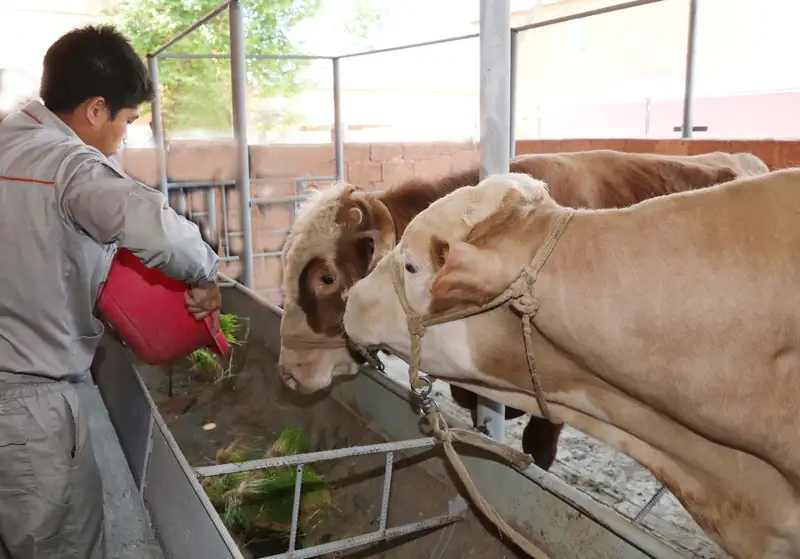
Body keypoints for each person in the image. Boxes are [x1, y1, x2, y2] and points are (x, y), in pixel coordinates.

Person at [0, 25, 222, 558]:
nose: (124, 137)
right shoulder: (68, 166)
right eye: (126, 122)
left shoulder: (11, 135)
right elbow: (151, 225)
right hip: (26, 401)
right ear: (95, 109)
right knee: (61, 546)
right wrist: (205, 273)